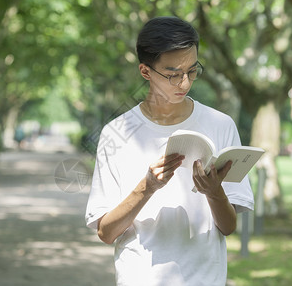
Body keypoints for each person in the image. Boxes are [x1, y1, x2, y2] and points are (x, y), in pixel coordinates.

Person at [85, 16, 254, 286]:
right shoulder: (117, 133)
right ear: (145, 71)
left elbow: (229, 227)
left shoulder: (221, 125)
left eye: (192, 70)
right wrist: (147, 187)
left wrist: (214, 192)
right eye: (173, 74)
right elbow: (106, 232)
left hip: (206, 279)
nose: (185, 83)